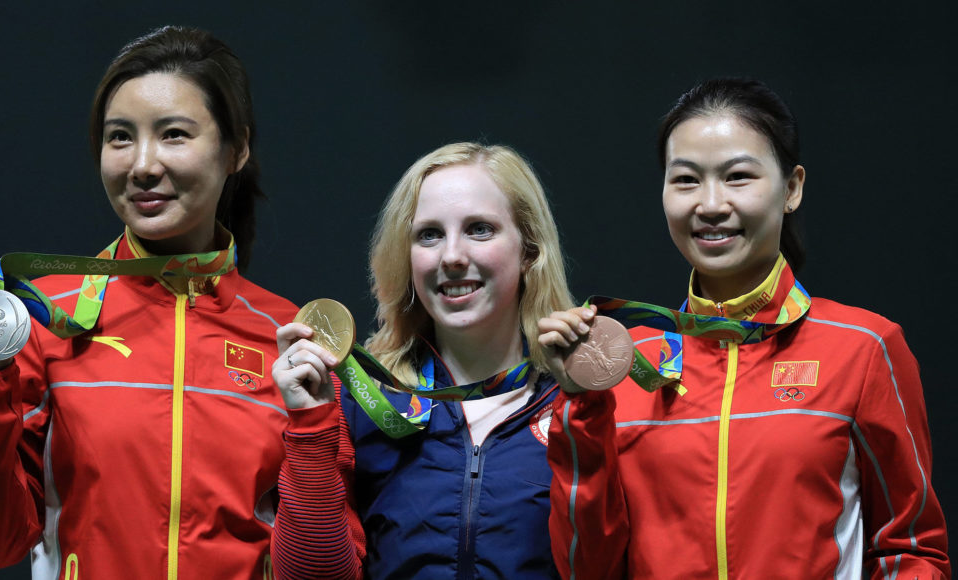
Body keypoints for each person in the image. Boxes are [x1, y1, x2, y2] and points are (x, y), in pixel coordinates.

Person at [539, 77, 949, 578]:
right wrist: (582, 404)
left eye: (737, 176)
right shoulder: (623, 362)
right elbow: (588, 568)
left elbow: (912, 551)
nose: (710, 204)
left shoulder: (863, 348)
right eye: (686, 180)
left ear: (792, 188)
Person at [0, 26, 300, 578]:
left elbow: (326, 549)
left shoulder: (285, 333)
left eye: (175, 134)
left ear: (237, 149)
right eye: (120, 137)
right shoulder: (43, 313)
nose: (142, 165)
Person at [270, 142, 574, 579]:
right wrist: (310, 427)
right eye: (428, 234)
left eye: (480, 229)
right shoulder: (360, 400)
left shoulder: (577, 399)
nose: (451, 256)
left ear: (529, 250)